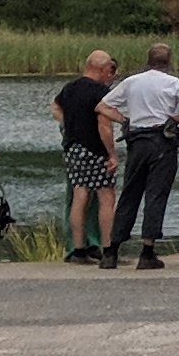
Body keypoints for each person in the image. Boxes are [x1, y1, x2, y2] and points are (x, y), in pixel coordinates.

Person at [104, 42, 179, 270]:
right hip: (161, 142)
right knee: (155, 196)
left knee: (130, 194)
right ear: (169, 62)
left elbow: (102, 106)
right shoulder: (174, 83)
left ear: (148, 61)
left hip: (137, 142)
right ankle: (147, 252)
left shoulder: (131, 82)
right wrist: (175, 120)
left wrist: (124, 121)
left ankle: (111, 251)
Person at [55, 50, 121, 263]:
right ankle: (108, 249)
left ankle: (78, 249)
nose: (109, 73)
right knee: (106, 196)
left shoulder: (70, 88)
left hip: (73, 148)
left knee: (79, 195)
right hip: (95, 149)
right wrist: (112, 154)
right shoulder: (101, 92)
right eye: (108, 69)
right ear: (101, 68)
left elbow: (55, 106)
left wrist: (68, 124)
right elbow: (104, 126)